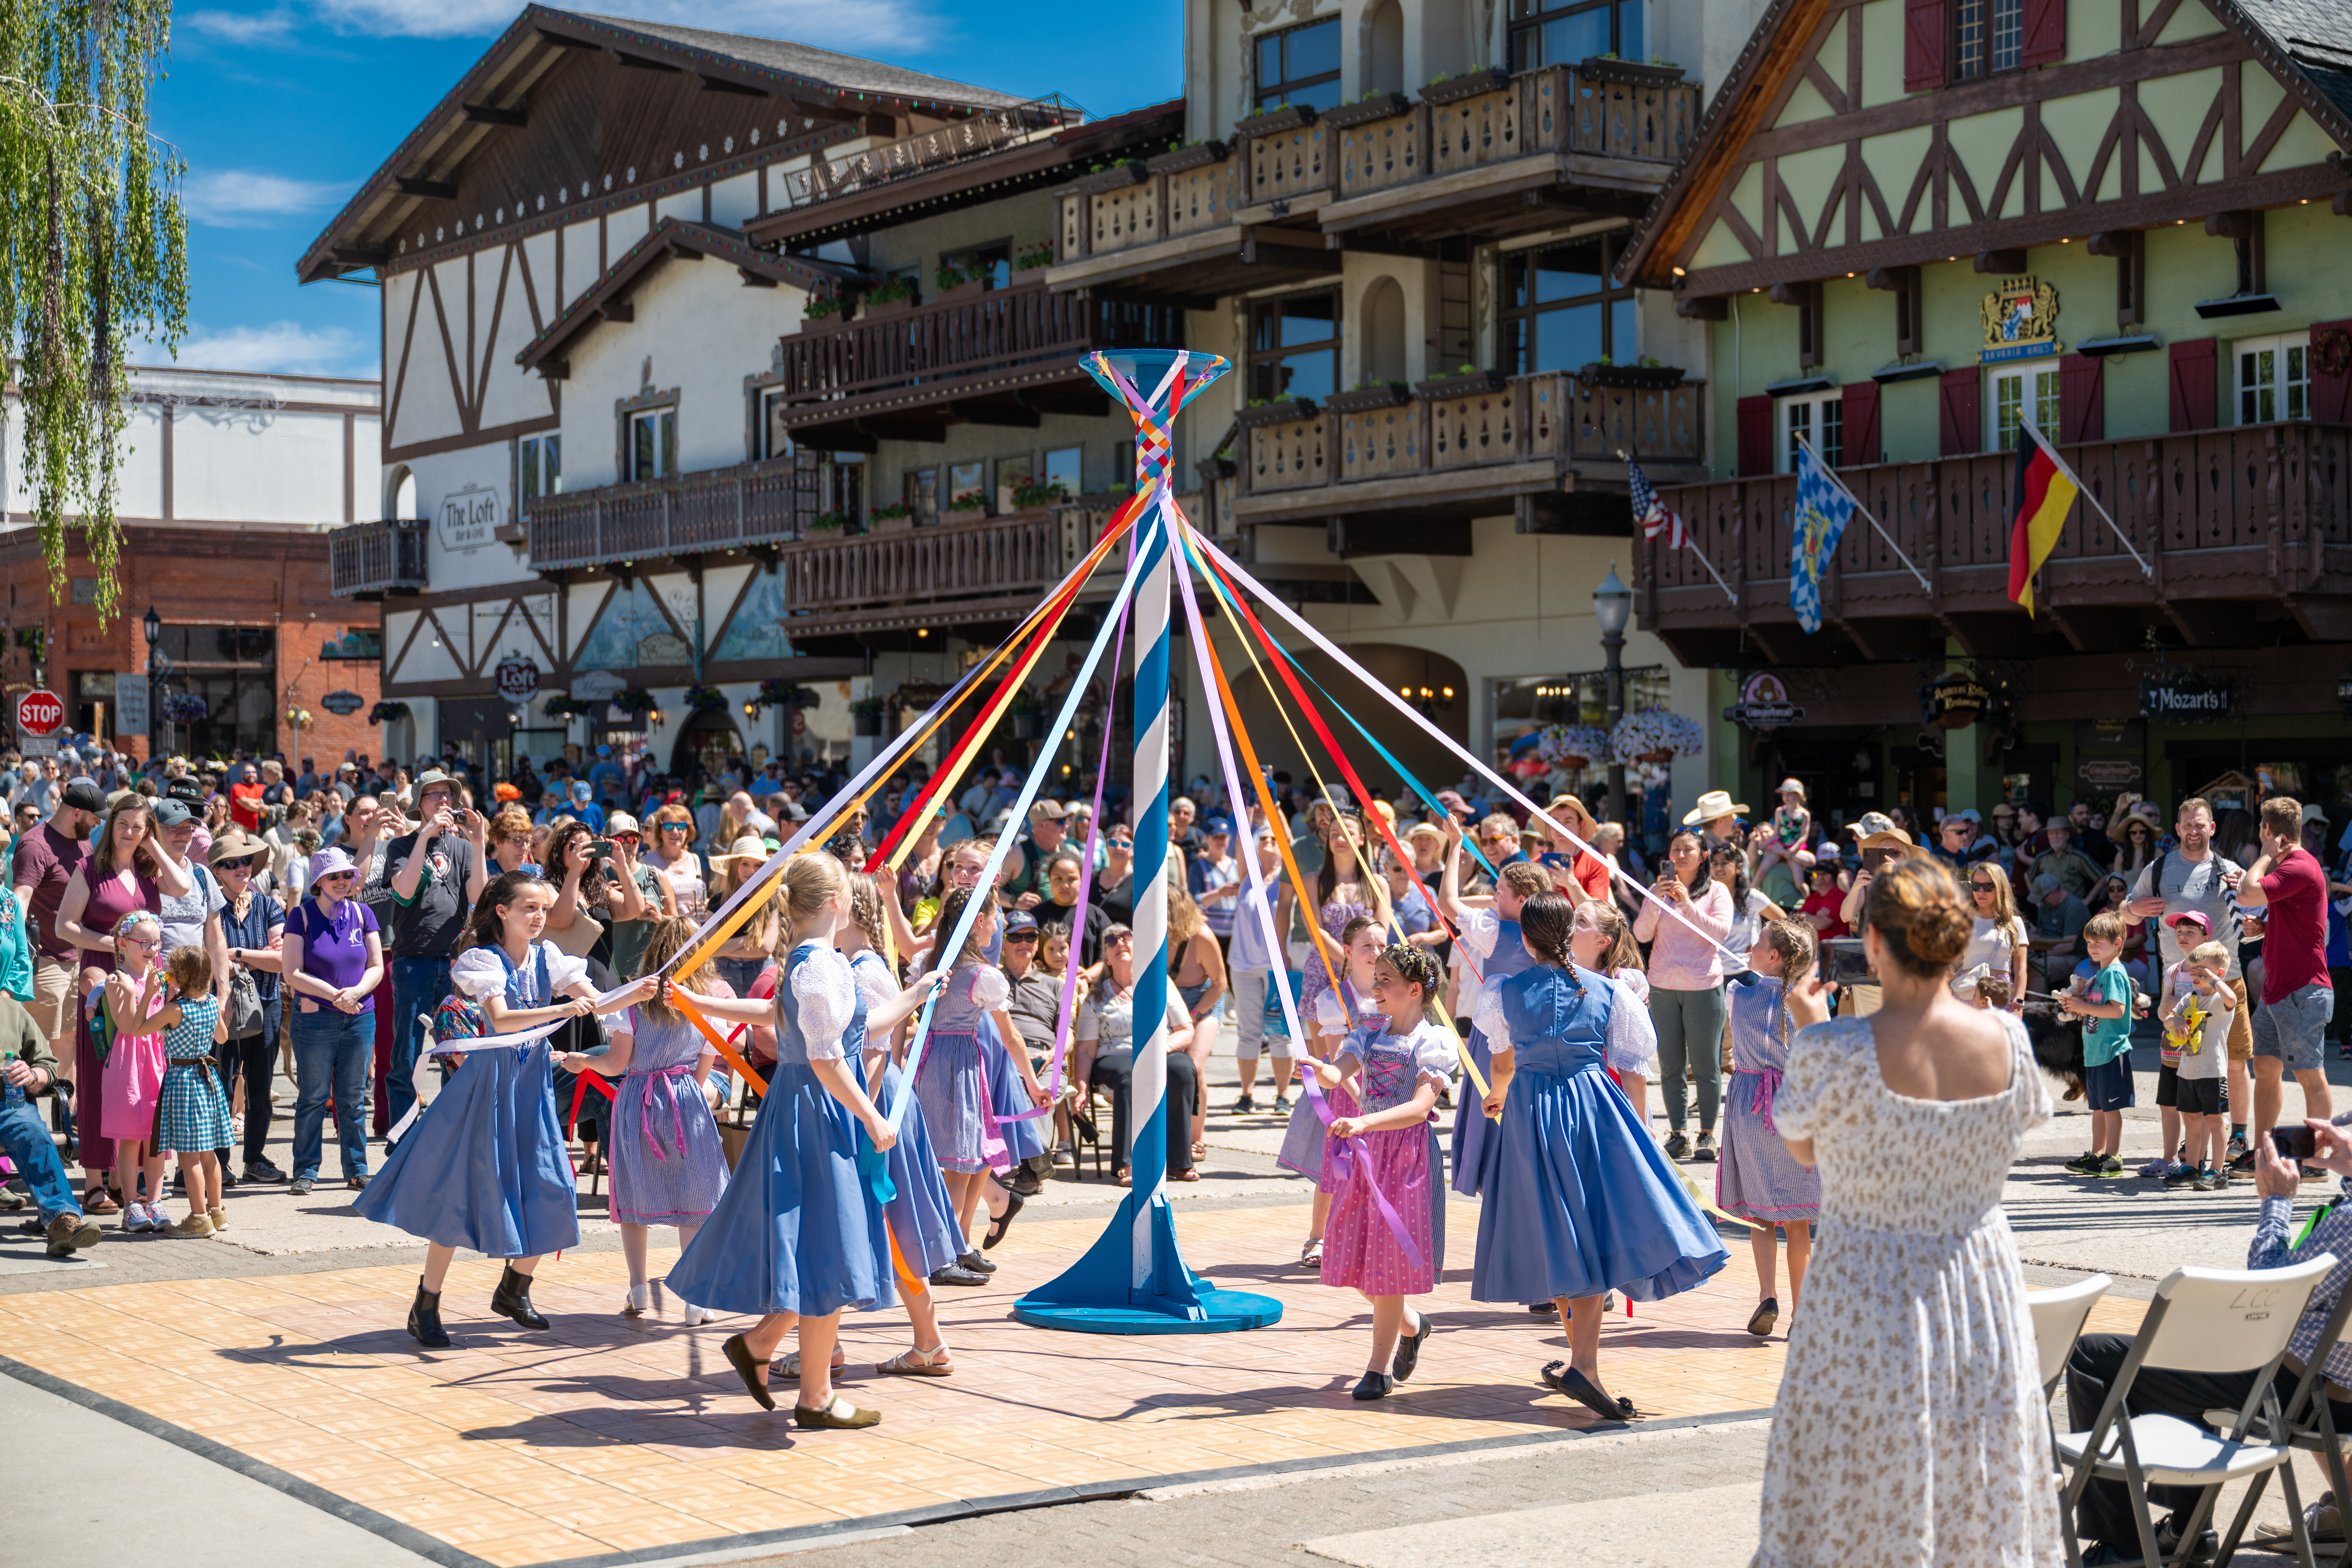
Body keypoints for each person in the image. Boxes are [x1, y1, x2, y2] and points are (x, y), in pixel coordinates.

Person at [1757, 857, 2059, 1567]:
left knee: (1852, 1482)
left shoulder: (1832, 1048)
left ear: (1872, 944)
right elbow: (2022, 1124)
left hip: (1865, 1285)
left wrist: (1808, 1029)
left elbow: (1801, 1151)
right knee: (1970, 1472)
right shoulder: (2009, 1041)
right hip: (1976, 1285)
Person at [666, 853, 940, 1427]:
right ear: (838, 903)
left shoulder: (814, 963)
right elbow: (825, 1057)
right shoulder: (820, 967)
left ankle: (792, 1371)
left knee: (827, 1249)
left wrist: (918, 993)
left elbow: (787, 1014)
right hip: (816, 1112)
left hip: (811, 1110)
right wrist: (871, 1116)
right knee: (828, 1246)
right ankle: (805, 1387)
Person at [358, 870, 647, 1346]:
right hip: (489, 1084)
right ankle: (427, 1302)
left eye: (542, 909)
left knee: (553, 1184)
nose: (539, 917)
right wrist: (560, 1011)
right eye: (528, 908)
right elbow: (501, 1018)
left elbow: (596, 999)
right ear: (503, 911)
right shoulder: (481, 959)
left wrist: (637, 994)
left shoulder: (548, 955)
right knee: (461, 1193)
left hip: (531, 1081)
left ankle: (515, 1287)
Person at [1472, 892, 1727, 1418]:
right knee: (1589, 1230)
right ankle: (1583, 1364)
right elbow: (1633, 1063)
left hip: (1531, 1110)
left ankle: (1581, 1362)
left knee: (1559, 1231)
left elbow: (1503, 1062)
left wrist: (1500, 1093)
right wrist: (1643, 1131)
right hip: (1592, 1108)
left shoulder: (1504, 990)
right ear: (1567, 935)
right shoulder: (1608, 989)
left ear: (1526, 938)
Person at [564, 916, 724, 1325]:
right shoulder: (707, 1001)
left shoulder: (633, 1002)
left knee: (634, 1197)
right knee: (694, 1201)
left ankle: (638, 1290)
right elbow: (704, 1073)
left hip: (638, 1100)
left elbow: (616, 1063)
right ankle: (694, 1299)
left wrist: (584, 1061)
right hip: (686, 1100)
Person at [1314, 943, 1453, 1402]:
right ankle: (1411, 1325)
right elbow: (1340, 1073)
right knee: (1355, 1259)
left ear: (1415, 990)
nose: (1376, 988)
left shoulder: (1433, 1042)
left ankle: (1378, 1370)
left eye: (1386, 981)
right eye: (1376, 979)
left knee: (1389, 1265)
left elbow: (1418, 1109)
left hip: (1408, 1159)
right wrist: (1322, 1070)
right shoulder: (1371, 1032)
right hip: (1369, 1155)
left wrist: (1365, 1121)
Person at [56, 793, 192, 1212]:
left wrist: (154, 846)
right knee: (101, 1075)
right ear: (110, 825)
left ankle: (123, 1180)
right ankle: (95, 1180)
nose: (130, 832)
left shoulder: (151, 872)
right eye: (124, 824)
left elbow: (183, 886)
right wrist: (117, 946)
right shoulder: (90, 869)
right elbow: (65, 926)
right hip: (104, 975)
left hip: (148, 981)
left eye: (139, 826)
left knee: (141, 1080)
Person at [1719, 917, 1822, 1339]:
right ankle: (1803, 1313)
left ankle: (1768, 1296)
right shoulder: (1810, 1002)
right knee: (1798, 1221)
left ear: (1774, 956)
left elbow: (1739, 992)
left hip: (1750, 1103)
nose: (1751, 950)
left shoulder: (1736, 993)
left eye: (1759, 944)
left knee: (1761, 1215)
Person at [1436, 821, 1549, 1197]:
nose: (1493, 899)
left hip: (1496, 1039)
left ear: (1520, 899)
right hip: (1541, 1042)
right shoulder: (1555, 935)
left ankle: (1499, 1190)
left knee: (1494, 1115)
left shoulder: (1494, 932)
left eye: (1499, 892)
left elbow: (1447, 903)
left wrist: (1455, 846)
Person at [381, 772, 490, 1143]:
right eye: (434, 796)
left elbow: (479, 898)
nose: (443, 801)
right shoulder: (401, 846)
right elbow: (405, 890)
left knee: (458, 1055)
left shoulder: (461, 848)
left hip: (456, 962)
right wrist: (423, 838)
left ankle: (451, 1141)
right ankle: (403, 1142)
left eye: (448, 795)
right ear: (419, 805)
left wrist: (478, 845)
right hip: (414, 960)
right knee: (407, 1056)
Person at [2233, 794, 2337, 1153]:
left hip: (2303, 991)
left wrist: (2264, 853)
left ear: (2268, 830)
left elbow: (2247, 893)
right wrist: (2264, 927)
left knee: (2310, 1075)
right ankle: (2264, 1151)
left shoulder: (2297, 865)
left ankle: (2315, 1158)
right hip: (2277, 992)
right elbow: (2297, 920)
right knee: (2264, 1068)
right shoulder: (2293, 868)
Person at [12, 778, 102, 1174]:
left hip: (79, 962)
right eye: (94, 817)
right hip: (46, 964)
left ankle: (60, 1137)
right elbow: (20, 902)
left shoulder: (83, 844)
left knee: (69, 1054)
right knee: (37, 1056)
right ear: (77, 813)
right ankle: (24, 1147)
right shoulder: (36, 845)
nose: (97, 824)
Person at [1073, 922, 1200, 1190]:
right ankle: (1127, 1162)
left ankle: (1179, 1159)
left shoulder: (1159, 982)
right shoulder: (1097, 996)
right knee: (1131, 1075)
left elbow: (1186, 1030)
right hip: (1114, 1057)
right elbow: (1085, 1049)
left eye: (1127, 937)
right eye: (1112, 940)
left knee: (1182, 1067)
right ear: (1106, 957)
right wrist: (1082, 1087)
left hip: (1159, 1051)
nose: (1120, 942)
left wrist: (1161, 1049)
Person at [1633, 828, 1735, 1161]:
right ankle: (1678, 1133)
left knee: (1706, 1065)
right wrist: (1657, 901)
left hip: (1704, 986)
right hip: (1663, 985)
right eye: (1674, 849)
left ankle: (1707, 1135)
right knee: (1670, 1065)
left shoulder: (1717, 891)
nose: (1679, 855)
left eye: (1687, 849)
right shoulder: (1656, 889)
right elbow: (1641, 933)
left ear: (1703, 855)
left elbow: (1720, 933)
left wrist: (1686, 904)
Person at [210, 831, 288, 1185]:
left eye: (245, 862)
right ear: (218, 872)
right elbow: (212, 960)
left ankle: (254, 1159)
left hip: (266, 1004)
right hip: (222, 1005)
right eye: (232, 864)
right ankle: (219, 1163)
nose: (242, 868)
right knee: (222, 1086)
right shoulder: (210, 910)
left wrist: (236, 954)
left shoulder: (268, 904)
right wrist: (260, 956)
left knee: (261, 1088)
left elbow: (282, 960)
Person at [0, 991, 102, 1256]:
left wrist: (33, 1075)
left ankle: (62, 1222)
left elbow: (48, 1065)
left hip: (8, 1102)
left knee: (33, 1132)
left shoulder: (12, 1010)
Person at [96, 911, 173, 1233]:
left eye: (157, 942)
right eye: (145, 942)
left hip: (157, 1061)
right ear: (123, 944)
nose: (153, 949)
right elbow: (129, 1027)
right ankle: (131, 1205)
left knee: (155, 1138)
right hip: (129, 1064)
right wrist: (132, 992)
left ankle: (154, 1201)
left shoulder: (161, 976)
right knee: (130, 1139)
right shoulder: (116, 980)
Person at [152, 945, 232, 1236]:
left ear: (180, 976)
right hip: (207, 1078)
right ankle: (217, 1212)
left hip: (183, 1080)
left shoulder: (176, 1009)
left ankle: (198, 1218)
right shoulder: (211, 1002)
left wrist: (151, 994)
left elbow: (137, 1028)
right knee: (208, 1151)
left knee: (189, 1157)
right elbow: (222, 1037)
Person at [2057, 911, 2135, 1178]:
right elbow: (2094, 1009)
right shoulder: (2101, 974)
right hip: (2095, 1053)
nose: (2092, 947)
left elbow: (2116, 1010)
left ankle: (2113, 1157)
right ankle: (2097, 1153)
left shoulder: (2114, 973)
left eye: (2098, 942)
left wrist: (2083, 1006)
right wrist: (2078, 1005)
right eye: (2089, 942)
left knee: (2111, 1108)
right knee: (2099, 1108)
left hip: (2112, 1051)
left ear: (2117, 943)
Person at [2157, 938, 2236, 1191]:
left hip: (2213, 1070)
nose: (2194, 976)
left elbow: (2232, 998)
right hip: (2188, 1069)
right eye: (2193, 971)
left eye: (2201, 971)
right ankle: (2192, 1166)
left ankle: (2217, 1170)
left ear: (2218, 974)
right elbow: (2168, 1019)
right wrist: (2176, 1020)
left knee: (2215, 1120)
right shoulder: (2190, 997)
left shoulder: (2220, 1001)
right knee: (2191, 1119)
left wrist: (2214, 980)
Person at [1227, 826, 1293, 1116]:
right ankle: (1247, 1095)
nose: (1268, 841)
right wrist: (1254, 805)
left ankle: (1283, 1095)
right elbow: (1243, 833)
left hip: (1276, 966)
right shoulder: (1248, 875)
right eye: (1263, 837)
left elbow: (1288, 839)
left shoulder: (1289, 879)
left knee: (1280, 1034)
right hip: (1243, 965)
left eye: (1274, 838)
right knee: (1248, 1033)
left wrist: (1275, 804)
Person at [1962, 860, 2029, 1010]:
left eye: (1989, 886)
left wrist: (2019, 1003)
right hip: (1967, 994)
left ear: (2001, 888)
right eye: (1976, 886)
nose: (1981, 892)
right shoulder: (1962, 921)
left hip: (2001, 995)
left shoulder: (2015, 923)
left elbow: (2021, 970)